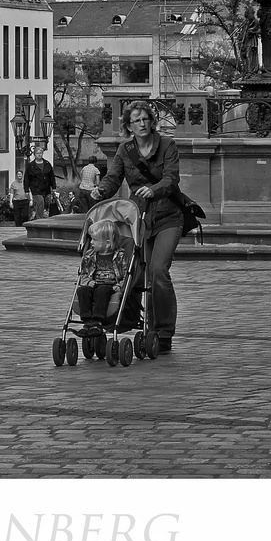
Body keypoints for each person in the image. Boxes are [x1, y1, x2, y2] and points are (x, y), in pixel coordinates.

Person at [89, 100, 199, 354]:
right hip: (137, 219)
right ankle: (135, 322)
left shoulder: (167, 145)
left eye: (145, 119)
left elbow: (172, 178)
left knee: (158, 270)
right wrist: (101, 191)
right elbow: (113, 177)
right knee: (135, 272)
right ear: (129, 126)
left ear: (152, 121)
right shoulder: (125, 150)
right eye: (136, 120)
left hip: (168, 216)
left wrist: (155, 189)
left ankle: (163, 331)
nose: (142, 123)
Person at [75, 216, 133, 336]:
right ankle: (87, 321)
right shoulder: (89, 256)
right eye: (91, 239)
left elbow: (126, 275)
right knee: (82, 290)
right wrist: (87, 281)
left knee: (102, 290)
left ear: (107, 244)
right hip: (93, 284)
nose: (91, 242)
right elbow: (84, 273)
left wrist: (120, 285)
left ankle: (97, 321)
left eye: (94, 240)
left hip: (110, 286)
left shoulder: (120, 257)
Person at [24, 145, 56, 221]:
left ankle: (36, 219)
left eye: (41, 153)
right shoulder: (31, 166)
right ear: (34, 154)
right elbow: (27, 178)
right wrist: (26, 190)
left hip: (46, 188)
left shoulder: (47, 164)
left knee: (45, 205)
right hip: (36, 188)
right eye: (37, 153)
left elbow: (51, 176)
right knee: (40, 202)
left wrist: (54, 187)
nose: (39, 155)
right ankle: (39, 220)